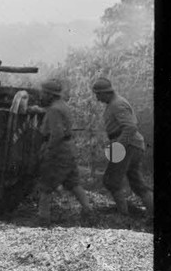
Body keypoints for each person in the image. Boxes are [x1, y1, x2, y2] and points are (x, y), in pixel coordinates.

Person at [93, 77, 153, 218]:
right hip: (133, 145)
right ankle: (152, 215)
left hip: (128, 145)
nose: (97, 98)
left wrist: (118, 146)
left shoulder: (117, 104)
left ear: (105, 92)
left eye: (98, 94)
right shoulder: (115, 103)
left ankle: (124, 216)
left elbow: (130, 127)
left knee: (111, 181)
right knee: (137, 184)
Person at [35, 79, 93, 224]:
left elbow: (57, 134)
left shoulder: (54, 109)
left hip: (58, 151)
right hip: (68, 149)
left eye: (43, 93)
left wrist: (48, 150)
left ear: (49, 94)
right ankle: (89, 211)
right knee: (73, 183)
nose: (41, 95)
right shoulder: (61, 106)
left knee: (46, 186)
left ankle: (43, 219)